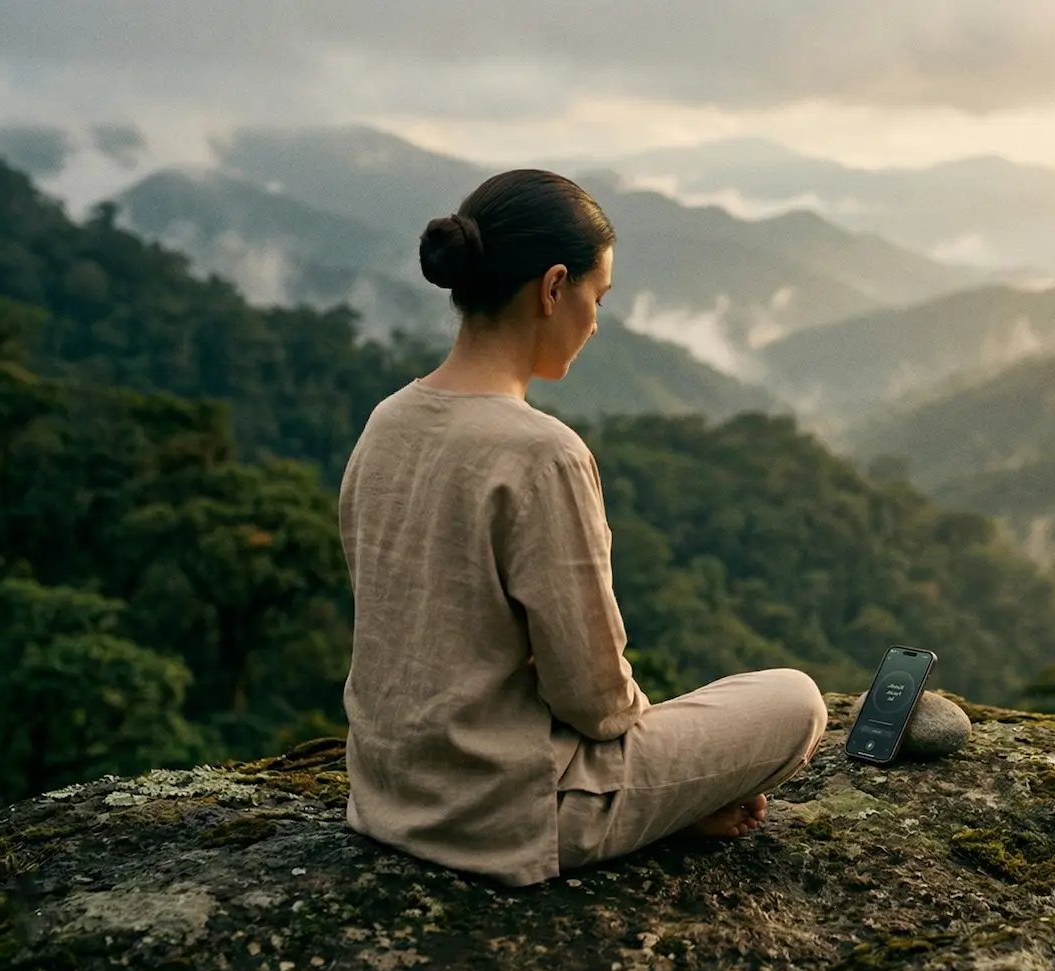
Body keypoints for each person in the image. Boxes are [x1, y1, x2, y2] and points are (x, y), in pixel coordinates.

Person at [336, 169, 828, 887]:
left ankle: (662, 805)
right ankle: (649, 810)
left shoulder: (387, 422)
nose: (596, 322)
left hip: (389, 795)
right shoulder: (543, 455)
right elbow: (594, 702)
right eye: (597, 298)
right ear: (553, 287)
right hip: (512, 812)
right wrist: (676, 770)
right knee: (794, 700)